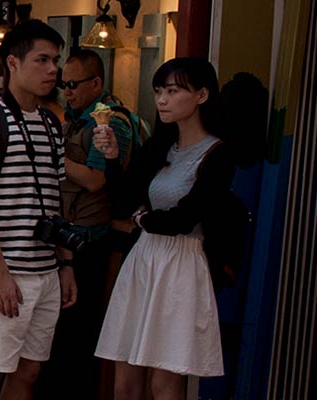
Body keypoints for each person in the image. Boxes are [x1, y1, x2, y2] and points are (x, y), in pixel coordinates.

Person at [97, 57, 238, 400]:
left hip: (181, 264)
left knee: (165, 380)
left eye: (173, 91)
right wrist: (113, 158)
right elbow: (122, 201)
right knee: (123, 373)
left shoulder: (217, 153)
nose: (162, 99)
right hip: (144, 258)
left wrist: (142, 219)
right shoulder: (159, 146)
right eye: (159, 91)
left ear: (202, 95)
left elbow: (184, 218)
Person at [0, 20, 75, 400]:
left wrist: (65, 263)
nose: (52, 69)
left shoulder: (50, 125)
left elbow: (56, 198)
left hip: (45, 269)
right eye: (42, 60)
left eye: (55, 60)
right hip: (3, 270)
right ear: (13, 62)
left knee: (29, 371)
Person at [36, 47, 138, 399]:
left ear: (97, 83)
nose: (68, 92)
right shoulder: (78, 118)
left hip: (91, 241)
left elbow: (97, 180)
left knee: (76, 337)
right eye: (64, 85)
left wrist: (53, 157)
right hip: (68, 235)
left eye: (74, 84)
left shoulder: (111, 123)